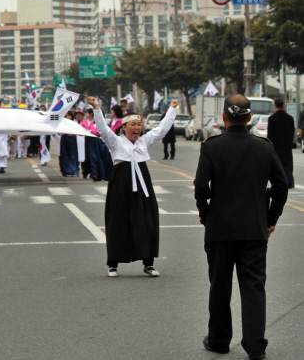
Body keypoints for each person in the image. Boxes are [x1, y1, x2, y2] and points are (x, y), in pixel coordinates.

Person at [195, 94, 288, 360]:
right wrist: (271, 218)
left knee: (220, 286)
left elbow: (201, 185)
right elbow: (281, 186)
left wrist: (205, 214)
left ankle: (219, 340)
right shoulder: (264, 147)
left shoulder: (212, 146)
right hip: (254, 230)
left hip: (220, 229)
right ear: (249, 118)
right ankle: (255, 346)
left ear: (223, 116)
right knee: (253, 287)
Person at [87, 96, 179, 278]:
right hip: (121, 186)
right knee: (117, 222)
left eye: (139, 124)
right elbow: (103, 130)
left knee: (148, 221)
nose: (137, 128)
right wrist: (96, 108)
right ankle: (113, 264)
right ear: (124, 128)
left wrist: (172, 110)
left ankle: (148, 263)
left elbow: (161, 130)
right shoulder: (115, 142)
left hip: (143, 186)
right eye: (133, 124)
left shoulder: (144, 142)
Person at [267, 99, 295, 188]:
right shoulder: (290, 118)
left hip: (276, 145)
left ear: (275, 106)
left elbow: (270, 134)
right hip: (287, 144)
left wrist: (269, 144)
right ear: (283, 106)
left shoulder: (272, 118)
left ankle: (279, 182)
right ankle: (290, 181)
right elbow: (292, 132)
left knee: (278, 164)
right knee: (287, 163)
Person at [81, 108, 113, 182]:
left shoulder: (102, 123)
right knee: (94, 158)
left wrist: (89, 131)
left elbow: (95, 132)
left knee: (102, 159)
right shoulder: (93, 123)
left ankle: (103, 174)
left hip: (101, 143)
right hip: (94, 142)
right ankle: (95, 174)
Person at [59, 111, 79, 177]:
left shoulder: (74, 123)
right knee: (64, 155)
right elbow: (58, 132)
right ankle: (65, 170)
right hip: (64, 139)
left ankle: (72, 170)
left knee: (72, 155)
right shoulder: (62, 122)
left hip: (72, 139)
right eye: (66, 115)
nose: (68, 116)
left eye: (69, 115)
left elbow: (76, 132)